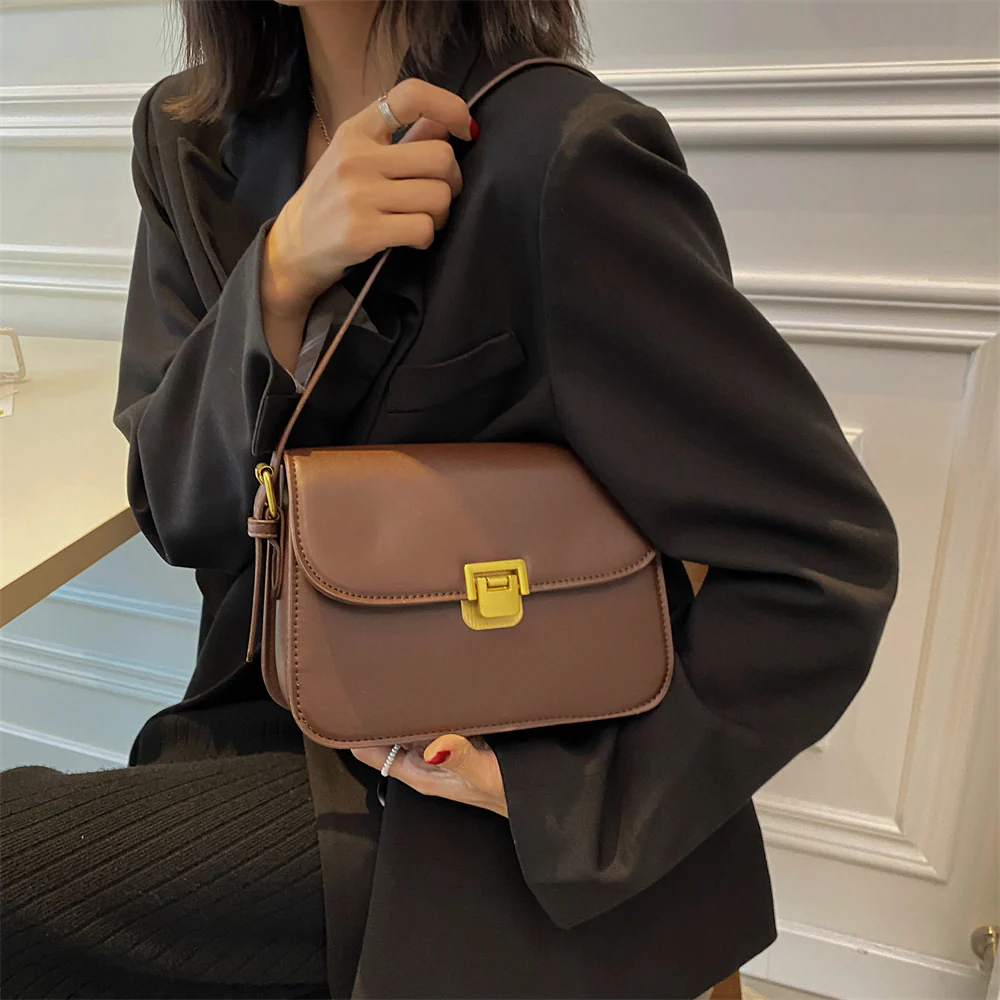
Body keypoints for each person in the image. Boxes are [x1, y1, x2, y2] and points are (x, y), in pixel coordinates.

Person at [0, 2, 900, 998]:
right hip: (254, 717)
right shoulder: (188, 139)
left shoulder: (561, 157)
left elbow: (823, 561)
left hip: (466, 801)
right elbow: (174, 508)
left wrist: (563, 797)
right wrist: (279, 276)